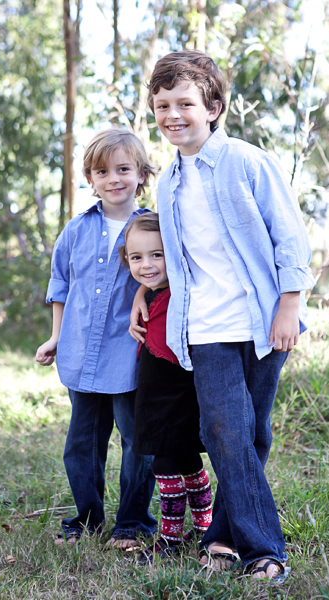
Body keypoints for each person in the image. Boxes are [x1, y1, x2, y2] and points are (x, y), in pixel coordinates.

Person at [131, 50, 313, 581]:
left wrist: (289, 305)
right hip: (205, 325)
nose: (172, 115)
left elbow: (290, 236)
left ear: (212, 106)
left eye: (184, 102)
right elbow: (168, 254)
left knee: (253, 435)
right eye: (162, 105)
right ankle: (266, 553)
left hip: (262, 318)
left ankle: (224, 537)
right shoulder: (167, 183)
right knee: (224, 432)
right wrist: (146, 294)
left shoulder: (249, 162)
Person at [35, 128, 158, 550]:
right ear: (90, 178)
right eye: (102, 171)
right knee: (81, 443)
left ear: (141, 174)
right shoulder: (75, 231)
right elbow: (61, 286)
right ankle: (86, 518)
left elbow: (164, 281)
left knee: (137, 442)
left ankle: (133, 523)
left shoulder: (153, 228)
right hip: (81, 351)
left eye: (123, 169)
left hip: (131, 353)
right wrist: (55, 337)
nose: (113, 179)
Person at [118, 213, 213, 562]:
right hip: (154, 391)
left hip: (180, 390)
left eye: (157, 254)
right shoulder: (152, 292)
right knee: (183, 460)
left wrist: (144, 291)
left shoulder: (186, 288)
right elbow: (151, 280)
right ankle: (204, 528)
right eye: (137, 257)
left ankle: (172, 539)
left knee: (168, 463)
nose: (147, 265)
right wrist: (140, 293)